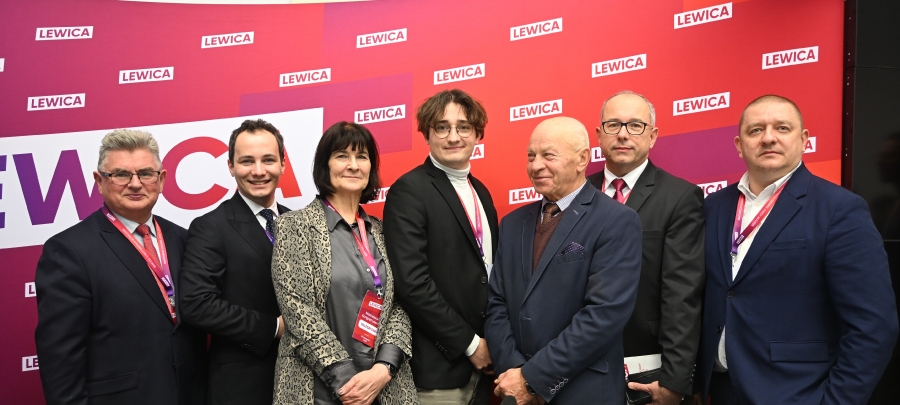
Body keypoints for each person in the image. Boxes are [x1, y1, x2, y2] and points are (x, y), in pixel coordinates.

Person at [696, 95, 899, 405]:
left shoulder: (839, 209)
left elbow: (873, 326)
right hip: (720, 391)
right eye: (755, 130)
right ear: (739, 144)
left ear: (804, 140)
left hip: (797, 393)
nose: (768, 138)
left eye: (782, 128)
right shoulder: (714, 206)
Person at [34, 129, 207, 405]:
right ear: (99, 182)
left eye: (146, 173)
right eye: (121, 174)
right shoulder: (69, 251)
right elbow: (60, 359)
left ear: (161, 180)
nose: (135, 184)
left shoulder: (185, 239)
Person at [485, 117, 643, 404]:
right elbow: (497, 304)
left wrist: (532, 379)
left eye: (548, 155)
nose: (536, 165)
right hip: (515, 391)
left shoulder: (616, 220)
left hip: (583, 392)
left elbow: (603, 316)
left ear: (582, 159)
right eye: (531, 156)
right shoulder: (512, 224)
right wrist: (515, 373)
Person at [271, 122, 417, 405]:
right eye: (342, 156)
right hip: (317, 391)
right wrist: (350, 384)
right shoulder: (294, 226)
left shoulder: (383, 231)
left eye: (362, 156)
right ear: (324, 166)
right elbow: (298, 311)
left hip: (384, 388)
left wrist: (383, 368)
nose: (353, 165)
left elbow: (402, 303)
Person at [587, 91, 704, 405]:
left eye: (635, 125)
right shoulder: (576, 194)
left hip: (649, 367)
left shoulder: (680, 197)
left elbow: (683, 295)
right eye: (613, 125)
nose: (623, 134)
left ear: (652, 136)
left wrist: (675, 382)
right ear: (599, 135)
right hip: (579, 365)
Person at [384, 88, 499, 404]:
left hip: (487, 368)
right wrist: (471, 345)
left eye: (463, 127)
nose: (453, 137)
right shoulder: (410, 190)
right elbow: (412, 284)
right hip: (439, 371)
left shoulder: (481, 192)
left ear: (477, 134)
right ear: (426, 134)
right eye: (442, 127)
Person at [178, 119, 291, 405]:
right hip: (243, 385)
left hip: (304, 380)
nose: (258, 171)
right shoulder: (210, 227)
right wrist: (273, 327)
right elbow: (196, 304)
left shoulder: (298, 222)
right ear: (230, 166)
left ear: (283, 164)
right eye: (246, 161)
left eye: (268, 160)